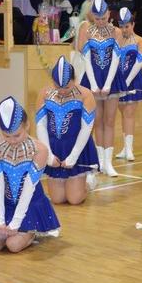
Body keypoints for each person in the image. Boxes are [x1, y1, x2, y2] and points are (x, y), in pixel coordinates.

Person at [0, 97, 60, 252]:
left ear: (27, 126)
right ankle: (10, 229)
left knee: (13, 245)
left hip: (30, 204)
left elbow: (28, 187)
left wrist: (15, 223)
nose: (12, 141)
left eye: (17, 135)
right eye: (6, 136)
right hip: (7, 204)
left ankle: (32, 233)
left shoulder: (39, 150)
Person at [35, 56, 98, 205]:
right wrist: (49, 155)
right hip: (55, 147)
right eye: (58, 87)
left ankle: (89, 183)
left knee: (74, 199)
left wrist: (74, 156)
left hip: (77, 145)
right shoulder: (44, 93)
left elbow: (86, 128)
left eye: (67, 87)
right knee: (57, 199)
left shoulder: (85, 94)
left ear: (75, 80)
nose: (62, 91)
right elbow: (41, 125)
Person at [77, 0, 126, 177]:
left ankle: (108, 162)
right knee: (97, 121)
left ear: (109, 14)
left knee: (110, 121)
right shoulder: (87, 31)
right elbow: (86, 58)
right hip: (93, 77)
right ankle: (99, 161)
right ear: (92, 16)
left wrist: (107, 84)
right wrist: (93, 84)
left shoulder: (116, 32)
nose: (100, 21)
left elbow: (116, 59)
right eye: (97, 19)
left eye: (103, 18)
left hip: (111, 77)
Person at [115, 7, 142, 161]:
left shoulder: (140, 41)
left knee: (129, 113)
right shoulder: (117, 41)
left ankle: (130, 149)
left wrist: (127, 81)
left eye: (127, 26)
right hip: (118, 80)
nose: (124, 29)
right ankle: (125, 147)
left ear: (133, 25)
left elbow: (138, 63)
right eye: (121, 26)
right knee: (123, 113)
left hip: (133, 80)